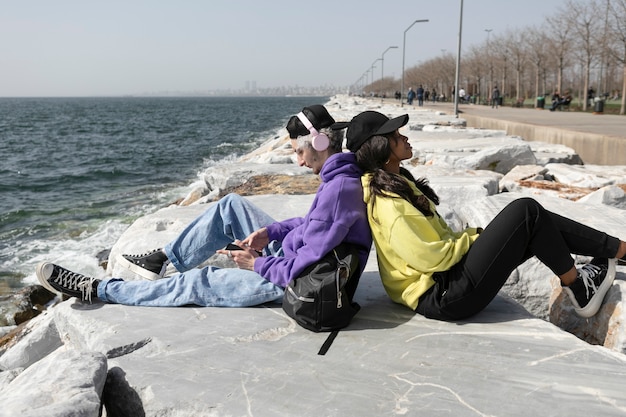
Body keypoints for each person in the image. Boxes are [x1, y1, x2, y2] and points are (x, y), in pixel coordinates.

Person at [36, 105, 372, 307]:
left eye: (299, 152)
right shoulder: (336, 178)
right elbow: (314, 224)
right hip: (297, 261)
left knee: (198, 283)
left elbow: (300, 266)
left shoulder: (339, 188)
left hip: (307, 283)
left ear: (320, 142)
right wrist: (270, 231)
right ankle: (164, 259)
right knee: (231, 207)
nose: (298, 162)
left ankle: (99, 290)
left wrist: (257, 265)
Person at [332, 110, 626, 321]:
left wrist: (472, 240)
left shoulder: (396, 180)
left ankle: (618, 250)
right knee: (526, 210)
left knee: (533, 222)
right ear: (382, 147)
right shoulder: (387, 201)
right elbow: (429, 257)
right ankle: (578, 284)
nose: (405, 137)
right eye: (396, 135)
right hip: (443, 295)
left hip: (448, 281)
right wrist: (472, 239)